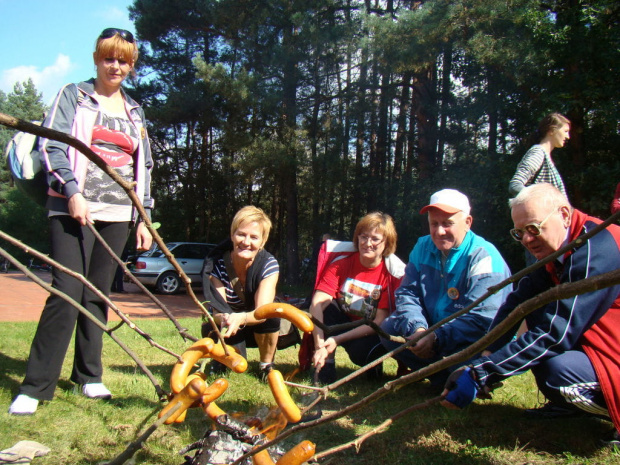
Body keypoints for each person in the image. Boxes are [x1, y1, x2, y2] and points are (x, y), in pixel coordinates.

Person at [9, 28, 154, 415]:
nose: (116, 66)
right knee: (68, 289)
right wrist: (72, 191)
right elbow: (51, 143)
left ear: (131, 65)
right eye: (109, 57)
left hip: (118, 214)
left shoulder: (135, 110)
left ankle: (88, 376)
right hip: (71, 207)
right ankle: (36, 385)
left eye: (124, 60)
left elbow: (145, 167)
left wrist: (144, 217)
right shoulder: (73, 95)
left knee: (98, 294)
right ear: (97, 58)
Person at [442, 184, 620, 446]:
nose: (527, 239)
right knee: (538, 327)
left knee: (557, 370)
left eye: (534, 228)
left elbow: (556, 333)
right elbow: (518, 304)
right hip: (600, 347)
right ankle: (569, 407)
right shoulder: (561, 249)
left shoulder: (596, 247)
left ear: (564, 215)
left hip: (613, 353)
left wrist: (483, 373)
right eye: (520, 232)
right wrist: (485, 354)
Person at [380, 189, 512, 388]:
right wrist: (418, 329)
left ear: (468, 223)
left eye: (447, 224)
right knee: (389, 329)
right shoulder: (423, 246)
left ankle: (459, 375)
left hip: (473, 342)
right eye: (434, 224)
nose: (439, 231)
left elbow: (481, 319)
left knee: (467, 363)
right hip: (431, 334)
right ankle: (442, 377)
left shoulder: (484, 257)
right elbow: (407, 293)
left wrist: (436, 338)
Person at [310, 212, 405, 384]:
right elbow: (316, 303)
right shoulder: (341, 264)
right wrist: (319, 344)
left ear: (386, 243)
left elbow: (379, 320)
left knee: (362, 355)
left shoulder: (389, 275)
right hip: (342, 322)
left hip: (368, 331)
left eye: (375, 239)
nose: (368, 244)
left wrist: (336, 339)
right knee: (326, 307)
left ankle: (373, 365)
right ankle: (326, 362)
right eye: (364, 237)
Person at [201, 206, 280, 380]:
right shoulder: (216, 265)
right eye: (241, 234)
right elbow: (217, 310)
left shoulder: (269, 264)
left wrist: (241, 318)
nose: (246, 242)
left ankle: (266, 365)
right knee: (210, 324)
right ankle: (221, 358)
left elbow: (262, 312)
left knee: (271, 314)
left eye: (254, 237)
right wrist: (228, 319)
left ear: (262, 241)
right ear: (232, 235)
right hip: (228, 323)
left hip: (256, 322)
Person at [509, 113, 570, 198]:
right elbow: (515, 185)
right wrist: (539, 201)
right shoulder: (538, 152)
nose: (568, 136)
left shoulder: (546, 156)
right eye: (565, 131)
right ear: (551, 131)